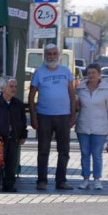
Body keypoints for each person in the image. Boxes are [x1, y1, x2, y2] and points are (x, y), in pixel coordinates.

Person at [29, 43, 77, 190]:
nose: (51, 57)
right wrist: (33, 117)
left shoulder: (66, 71)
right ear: (45, 56)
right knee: (43, 150)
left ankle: (61, 181)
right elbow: (31, 97)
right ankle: (41, 181)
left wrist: (73, 114)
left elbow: (72, 94)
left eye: (54, 54)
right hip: (44, 117)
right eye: (49, 54)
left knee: (64, 151)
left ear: (59, 56)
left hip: (63, 116)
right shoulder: (39, 72)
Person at [75, 63, 108, 190]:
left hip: (100, 128)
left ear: (99, 74)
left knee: (97, 154)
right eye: (89, 73)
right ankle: (85, 179)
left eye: (94, 73)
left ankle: (97, 179)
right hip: (83, 127)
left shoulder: (106, 89)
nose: (91, 75)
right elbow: (76, 107)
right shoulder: (80, 89)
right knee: (85, 154)